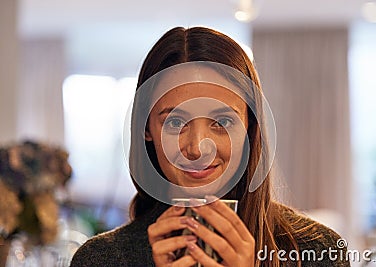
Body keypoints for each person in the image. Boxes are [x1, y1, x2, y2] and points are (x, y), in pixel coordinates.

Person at [70, 26, 349, 267]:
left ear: (250, 128)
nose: (198, 148)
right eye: (175, 122)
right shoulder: (102, 258)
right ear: (146, 129)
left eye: (222, 121)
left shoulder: (318, 250)